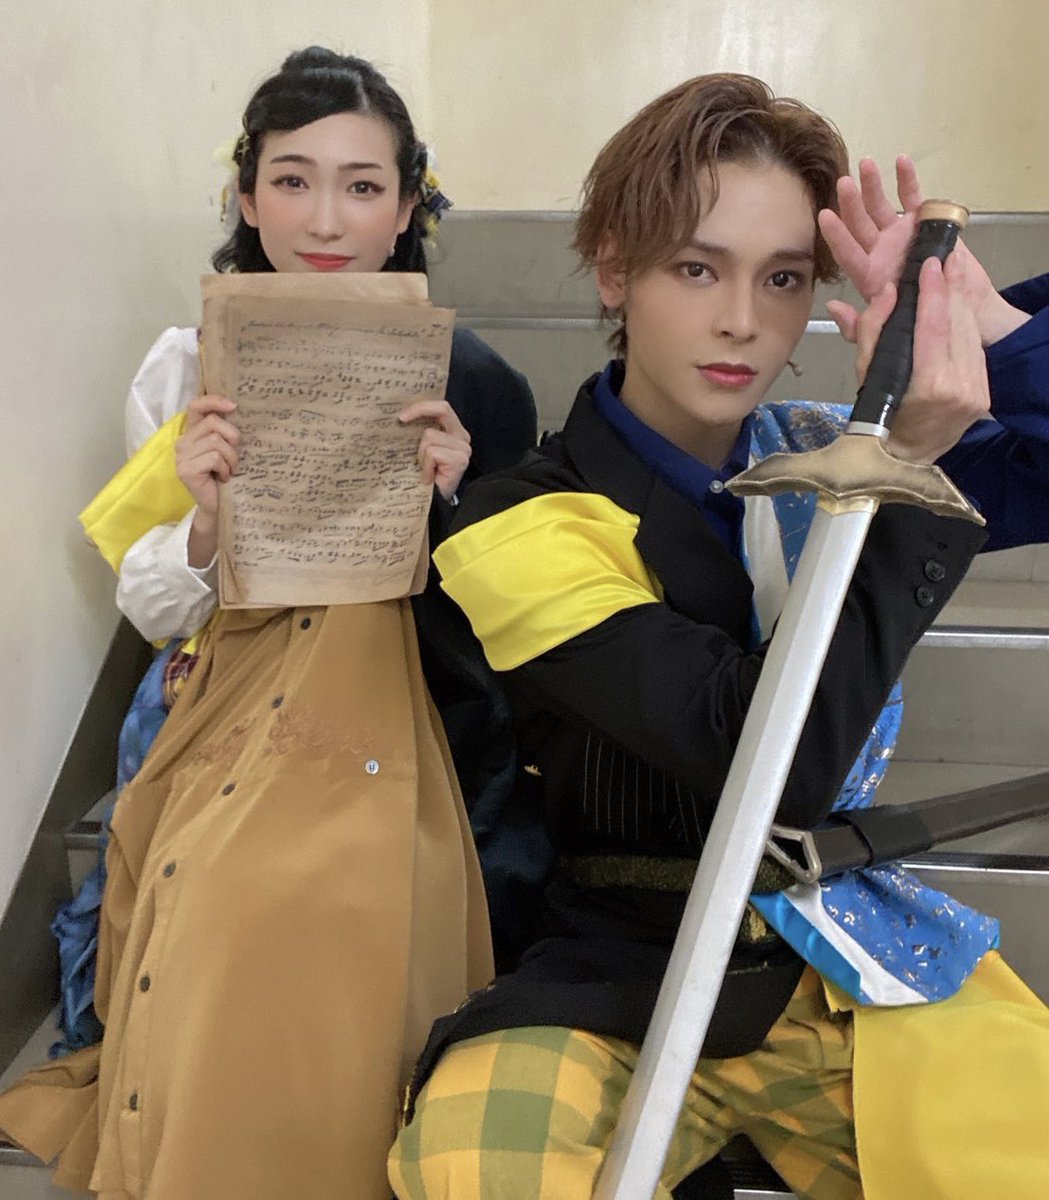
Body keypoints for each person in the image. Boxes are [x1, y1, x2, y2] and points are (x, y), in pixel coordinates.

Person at [387, 74, 1049, 1200]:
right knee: (469, 1166)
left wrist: (991, 328)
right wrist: (894, 471)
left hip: (848, 956)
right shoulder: (514, 522)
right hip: (617, 971)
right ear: (614, 271)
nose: (742, 319)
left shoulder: (818, 448)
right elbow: (766, 764)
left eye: (782, 277)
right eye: (696, 269)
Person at [0, 47, 536, 1199]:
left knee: (330, 899)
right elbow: (153, 605)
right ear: (246, 198)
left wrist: (456, 506)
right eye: (292, 180)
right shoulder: (189, 367)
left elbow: (511, 627)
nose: (325, 217)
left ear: (407, 206)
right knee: (212, 896)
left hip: (405, 695)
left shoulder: (475, 379)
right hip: (229, 682)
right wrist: (203, 520)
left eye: (361, 184)